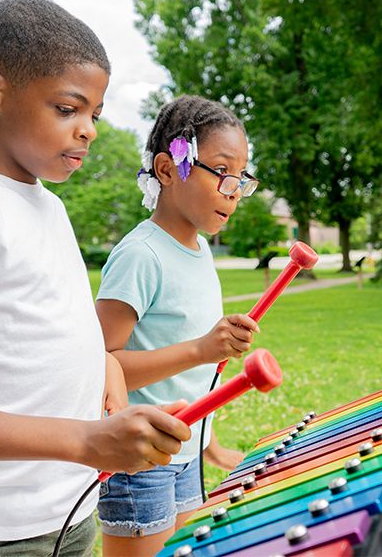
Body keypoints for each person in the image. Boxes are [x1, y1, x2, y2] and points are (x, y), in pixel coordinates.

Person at [0, 0, 190, 557]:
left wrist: (106, 381)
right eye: (67, 109)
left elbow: (51, 331)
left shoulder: (49, 206)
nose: (89, 131)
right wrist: (84, 440)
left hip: (65, 506)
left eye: (95, 115)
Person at [96, 94, 261, 556]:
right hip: (139, 458)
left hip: (183, 449)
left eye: (242, 177)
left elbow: (192, 375)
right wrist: (202, 349)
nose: (234, 189)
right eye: (223, 171)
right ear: (168, 170)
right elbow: (97, 364)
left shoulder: (200, 250)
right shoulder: (140, 255)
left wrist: (206, 443)